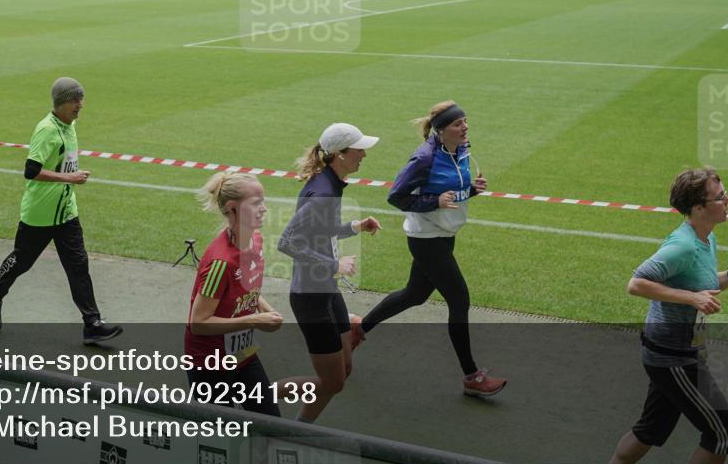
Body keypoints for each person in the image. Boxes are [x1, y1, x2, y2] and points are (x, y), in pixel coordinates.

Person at [597, 167, 728, 464]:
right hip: (673, 357)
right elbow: (636, 283)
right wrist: (691, 298)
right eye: (720, 196)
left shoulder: (706, 238)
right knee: (723, 435)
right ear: (698, 207)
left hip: (676, 351)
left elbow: (702, 287)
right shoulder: (683, 245)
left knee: (651, 428)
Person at [353, 101, 506, 397]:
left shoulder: (461, 149)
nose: (465, 127)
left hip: (445, 233)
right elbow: (396, 197)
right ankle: (471, 377)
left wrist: (471, 190)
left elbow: (448, 191)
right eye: (458, 123)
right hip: (426, 238)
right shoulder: (424, 158)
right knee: (459, 300)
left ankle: (357, 332)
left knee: (415, 294)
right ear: (441, 130)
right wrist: (433, 202)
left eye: (465, 121)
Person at [0, 77, 122, 345]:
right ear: (61, 103)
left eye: (81, 99)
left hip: (66, 213)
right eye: (75, 100)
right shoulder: (47, 130)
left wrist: (69, 180)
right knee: (22, 261)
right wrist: (70, 178)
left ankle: (92, 324)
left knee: (78, 266)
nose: (80, 105)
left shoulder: (70, 125)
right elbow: (31, 170)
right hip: (39, 214)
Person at [277, 123, 382, 423]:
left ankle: (300, 428)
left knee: (344, 370)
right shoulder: (324, 193)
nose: (364, 155)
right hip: (310, 298)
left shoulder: (331, 183)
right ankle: (254, 398)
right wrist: (334, 265)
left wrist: (355, 227)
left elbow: (320, 230)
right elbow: (287, 242)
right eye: (359, 149)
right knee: (332, 383)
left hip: (326, 290)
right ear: (340, 154)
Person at [185, 171, 284, 416]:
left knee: (270, 422)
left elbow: (244, 288)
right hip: (210, 364)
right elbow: (198, 322)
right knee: (220, 433)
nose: (264, 209)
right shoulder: (221, 262)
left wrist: (265, 308)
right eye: (255, 203)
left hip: (243, 355)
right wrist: (255, 320)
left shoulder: (256, 241)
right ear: (232, 208)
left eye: (263, 202)